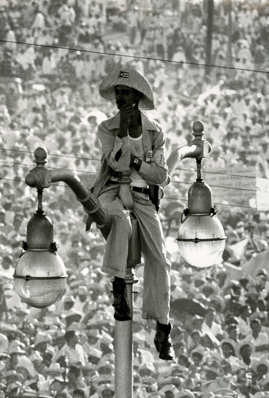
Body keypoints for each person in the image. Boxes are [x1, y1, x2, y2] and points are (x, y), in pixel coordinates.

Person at [91, 66, 173, 360]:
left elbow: (160, 175)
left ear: (137, 96)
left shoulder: (155, 131)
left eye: (125, 93)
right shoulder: (107, 128)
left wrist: (138, 164)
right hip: (112, 190)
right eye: (117, 93)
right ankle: (118, 287)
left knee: (160, 257)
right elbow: (116, 166)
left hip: (143, 197)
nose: (120, 98)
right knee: (121, 225)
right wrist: (124, 135)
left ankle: (162, 323)